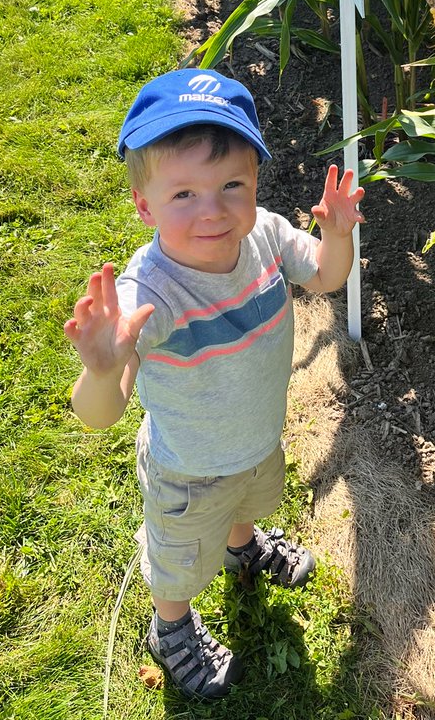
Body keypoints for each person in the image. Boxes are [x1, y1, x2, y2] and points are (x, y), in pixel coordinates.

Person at [64, 68, 365, 701]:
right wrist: (100, 368)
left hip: (255, 441)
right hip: (190, 471)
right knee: (178, 563)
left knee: (250, 503)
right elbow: (100, 412)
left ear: (256, 179)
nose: (213, 211)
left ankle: (244, 546)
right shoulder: (151, 296)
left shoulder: (264, 235)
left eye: (232, 185)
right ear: (145, 204)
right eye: (184, 195)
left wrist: (337, 236)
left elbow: (326, 277)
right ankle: (169, 628)